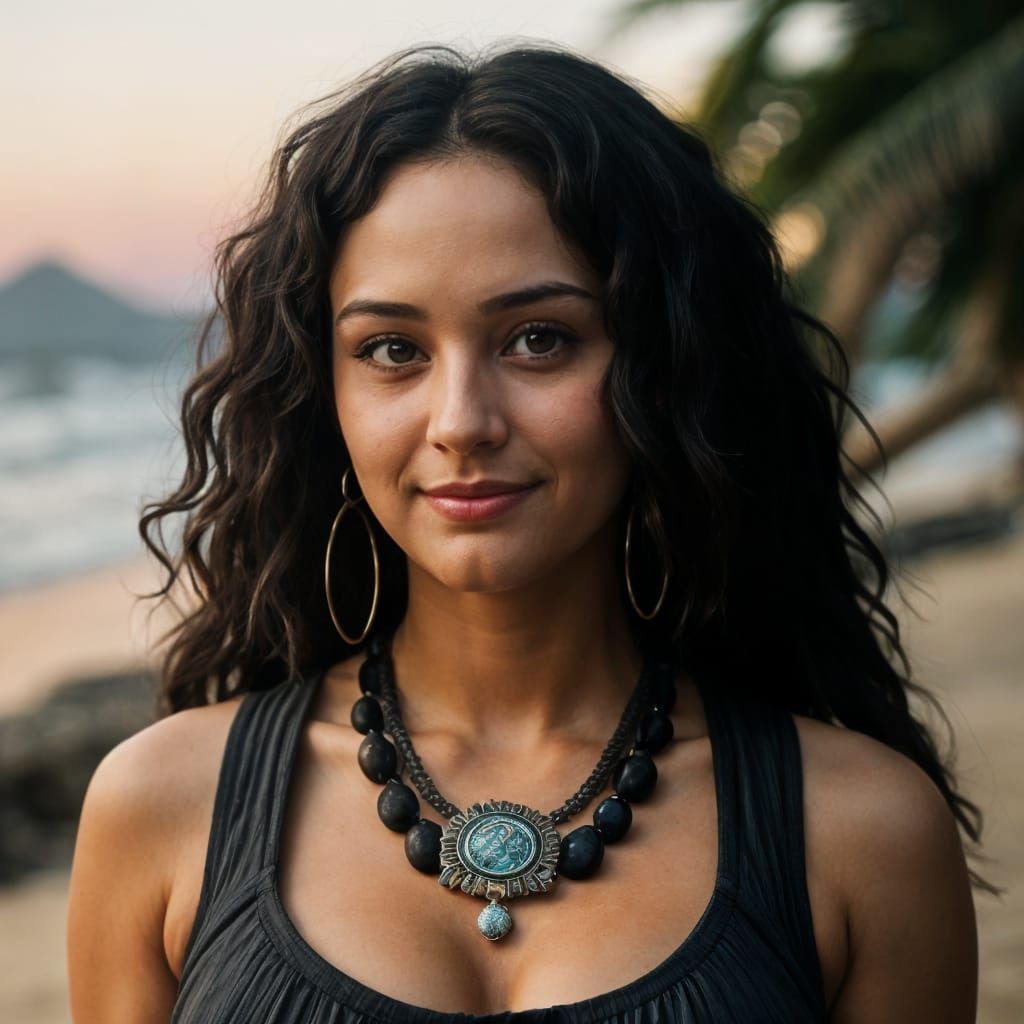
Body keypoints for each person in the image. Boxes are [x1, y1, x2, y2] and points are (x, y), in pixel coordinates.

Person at [66, 39, 984, 1022]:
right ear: (322, 395)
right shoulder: (161, 808)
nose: (461, 419)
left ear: (668, 368)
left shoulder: (861, 832)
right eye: (390, 349)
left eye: (538, 339)